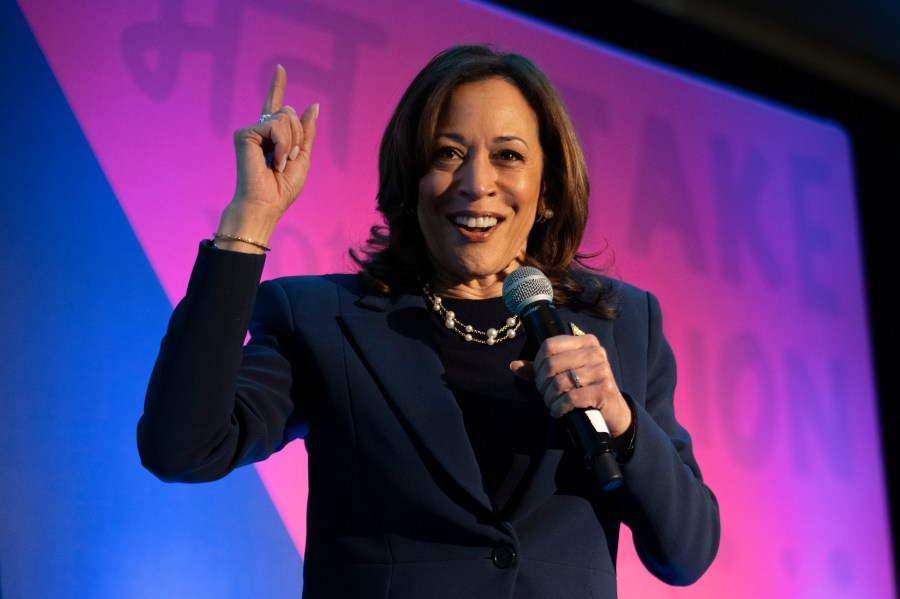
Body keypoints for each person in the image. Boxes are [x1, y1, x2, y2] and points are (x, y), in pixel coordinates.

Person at [139, 44, 720, 598]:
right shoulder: (321, 320)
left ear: (547, 188)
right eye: (447, 154)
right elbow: (184, 447)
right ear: (411, 182)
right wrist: (249, 221)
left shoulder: (621, 324)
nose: (476, 182)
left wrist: (618, 417)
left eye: (508, 155)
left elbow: (685, 552)